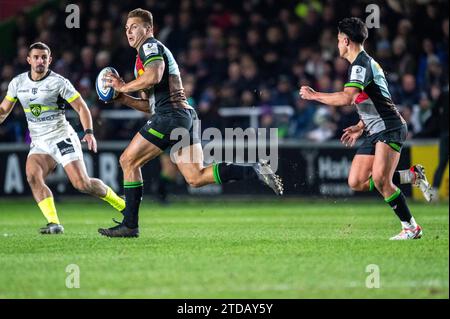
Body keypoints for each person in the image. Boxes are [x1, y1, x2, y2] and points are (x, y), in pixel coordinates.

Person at [98, 9, 283, 238]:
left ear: (149, 29)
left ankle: (130, 224)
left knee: (128, 160)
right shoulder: (140, 61)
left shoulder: (150, 47)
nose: (129, 31)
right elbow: (149, 105)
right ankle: (254, 170)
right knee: (196, 177)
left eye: (134, 26)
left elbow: (155, 77)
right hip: (182, 116)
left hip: (170, 115)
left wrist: (123, 86)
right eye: (126, 28)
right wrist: (123, 98)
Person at [300, 18, 432, 240]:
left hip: (390, 127)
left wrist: (315, 96)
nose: (337, 44)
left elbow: (348, 97)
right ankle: (412, 175)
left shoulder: (361, 64)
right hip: (374, 130)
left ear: (346, 40)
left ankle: (411, 227)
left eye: (338, 40)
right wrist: (362, 125)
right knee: (357, 182)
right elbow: (378, 98)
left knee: (381, 180)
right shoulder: (364, 64)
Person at [0, 42, 125, 234]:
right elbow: (3, 110)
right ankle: (54, 223)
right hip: (39, 143)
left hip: (62, 137)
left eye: (44, 57)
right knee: (33, 176)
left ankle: (122, 205)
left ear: (50, 60)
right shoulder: (18, 83)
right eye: (36, 57)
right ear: (28, 60)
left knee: (82, 184)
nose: (40, 61)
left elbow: (82, 107)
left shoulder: (59, 82)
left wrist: (89, 133)